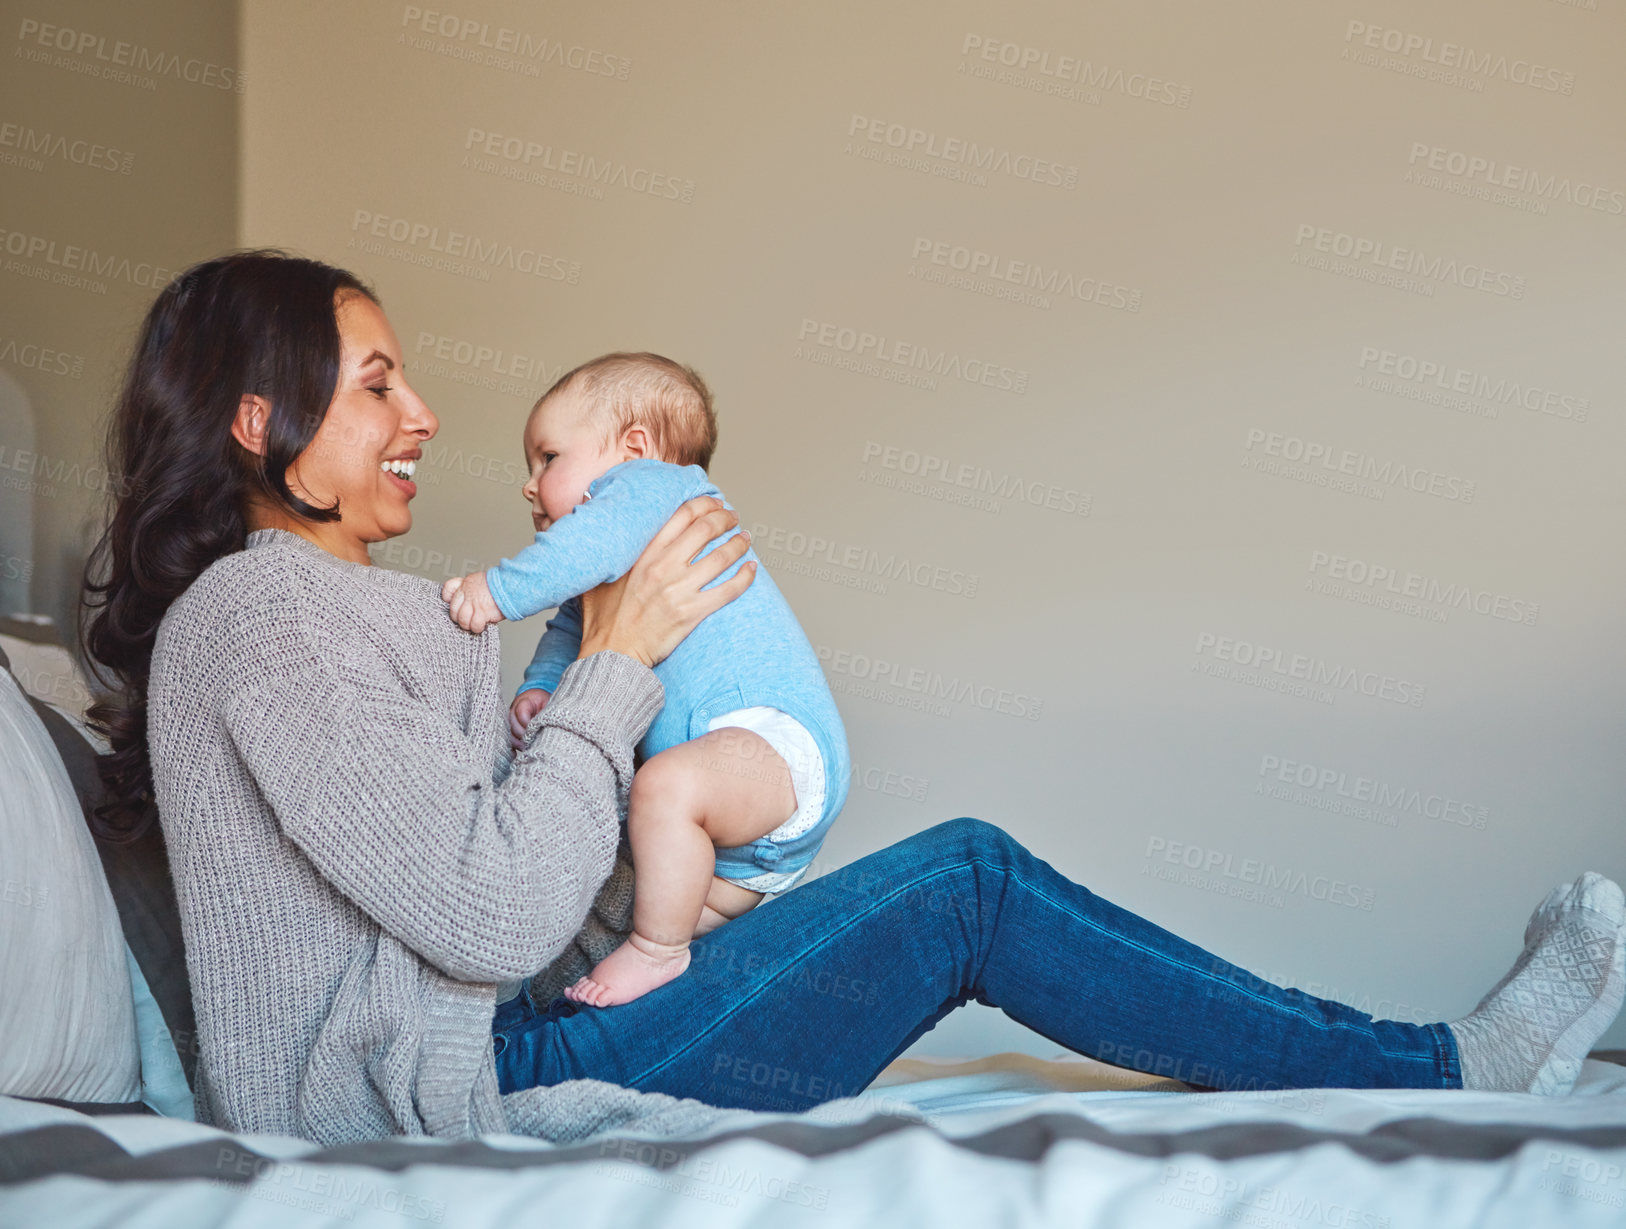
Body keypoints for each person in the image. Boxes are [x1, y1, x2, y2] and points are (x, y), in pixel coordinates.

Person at [80, 250, 1625, 1148]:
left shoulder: (351, 612)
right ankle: (1441, 1071)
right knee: (963, 881)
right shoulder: (260, 612)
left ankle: (1427, 1059)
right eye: (374, 384)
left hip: (517, 1037)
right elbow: (483, 922)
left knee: (957, 881)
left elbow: (479, 887)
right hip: (462, 1096)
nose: (423, 414)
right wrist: (622, 652)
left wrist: (663, 904)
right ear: (255, 415)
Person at [439, 352, 850, 1007]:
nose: (528, 483)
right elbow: (569, 634)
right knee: (660, 899)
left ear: (633, 449)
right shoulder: (609, 560)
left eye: (547, 458)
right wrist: (539, 691)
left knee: (660, 793)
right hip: (742, 848)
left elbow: (570, 557)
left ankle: (659, 949)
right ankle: (657, 963)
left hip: (767, 740)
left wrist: (494, 590)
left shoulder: (657, 487)